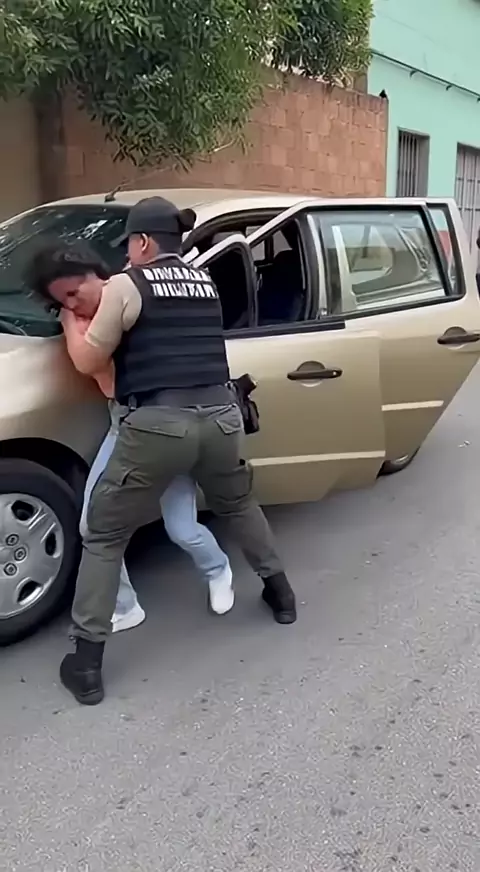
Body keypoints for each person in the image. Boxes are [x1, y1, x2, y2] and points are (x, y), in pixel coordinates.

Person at [29, 196, 297, 706]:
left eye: (130, 244)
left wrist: (68, 321)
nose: (126, 254)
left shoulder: (128, 285)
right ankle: (281, 594)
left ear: (144, 242)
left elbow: (90, 358)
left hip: (158, 425)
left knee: (104, 533)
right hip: (221, 418)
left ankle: (86, 664)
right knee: (239, 505)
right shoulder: (204, 281)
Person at [27, 244, 235, 631]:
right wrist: (74, 317)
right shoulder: (89, 315)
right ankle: (124, 605)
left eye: (74, 293)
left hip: (169, 424)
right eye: (62, 302)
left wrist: (70, 322)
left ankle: (217, 569)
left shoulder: (131, 302)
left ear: (98, 276)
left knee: (182, 528)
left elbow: (90, 363)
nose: (72, 306)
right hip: (125, 425)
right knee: (94, 524)